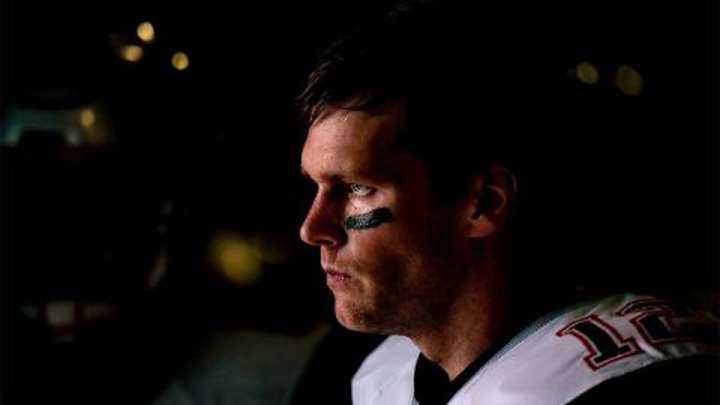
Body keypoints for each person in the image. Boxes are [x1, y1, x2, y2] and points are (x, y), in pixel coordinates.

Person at [294, 1, 719, 404]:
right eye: (316, 186)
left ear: (482, 203)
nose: (313, 229)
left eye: (356, 188)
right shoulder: (368, 363)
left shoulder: (637, 382)